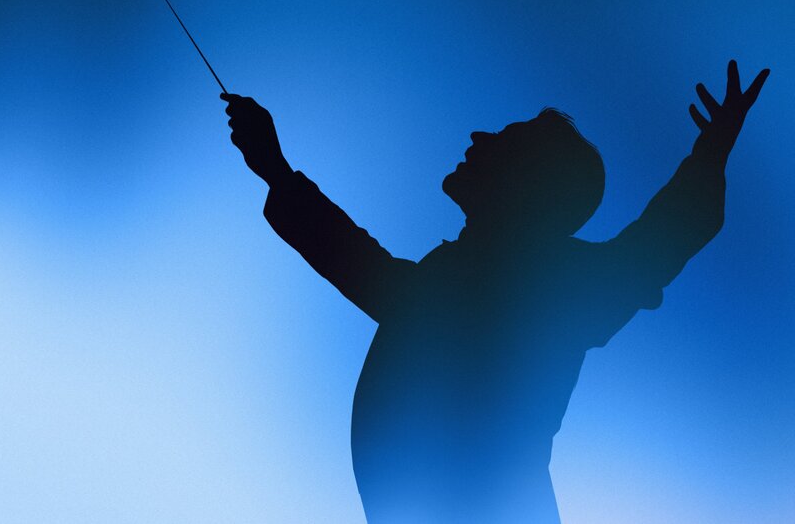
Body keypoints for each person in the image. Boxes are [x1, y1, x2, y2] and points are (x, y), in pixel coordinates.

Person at [221, 61, 769, 523]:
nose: (480, 137)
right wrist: (276, 173)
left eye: (505, 140)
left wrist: (711, 152)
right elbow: (373, 274)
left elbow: (664, 236)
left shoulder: (556, 285)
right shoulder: (465, 279)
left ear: (530, 187)